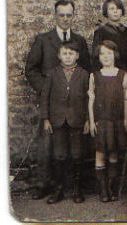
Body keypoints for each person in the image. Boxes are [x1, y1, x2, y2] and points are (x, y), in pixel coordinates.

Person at [25, 0, 91, 200]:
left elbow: (87, 70)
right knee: (48, 146)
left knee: (75, 148)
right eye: (61, 14)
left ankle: (73, 187)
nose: (65, 18)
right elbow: (31, 69)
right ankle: (45, 184)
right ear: (55, 15)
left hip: (75, 108)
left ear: (73, 16)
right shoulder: (43, 39)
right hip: (52, 105)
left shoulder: (79, 41)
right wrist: (46, 90)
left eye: (68, 15)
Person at [40, 42, 89, 204]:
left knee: (77, 155)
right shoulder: (52, 74)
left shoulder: (84, 74)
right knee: (59, 155)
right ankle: (58, 189)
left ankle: (77, 189)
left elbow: (89, 99)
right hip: (57, 120)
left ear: (77, 56)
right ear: (59, 56)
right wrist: (46, 119)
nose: (68, 57)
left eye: (71, 53)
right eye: (65, 53)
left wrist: (88, 119)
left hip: (77, 120)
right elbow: (45, 97)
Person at [88, 40, 127, 202]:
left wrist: (126, 119)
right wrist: (92, 121)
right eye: (102, 54)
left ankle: (111, 187)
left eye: (109, 53)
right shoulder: (95, 76)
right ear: (99, 57)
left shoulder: (123, 75)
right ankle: (103, 189)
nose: (106, 57)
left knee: (113, 154)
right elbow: (91, 100)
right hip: (102, 121)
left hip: (117, 121)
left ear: (115, 55)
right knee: (100, 153)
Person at [92, 0, 127, 75]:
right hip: (108, 72)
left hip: (126, 71)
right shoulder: (101, 31)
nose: (115, 11)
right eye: (111, 9)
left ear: (122, 11)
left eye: (118, 8)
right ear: (106, 12)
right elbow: (96, 55)